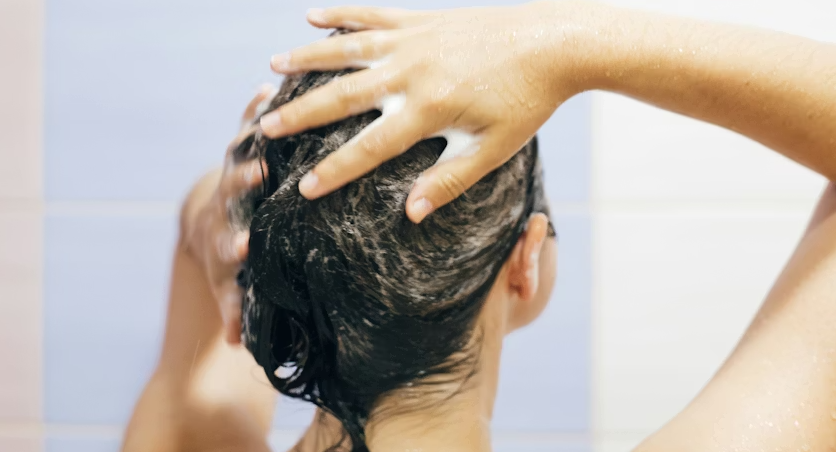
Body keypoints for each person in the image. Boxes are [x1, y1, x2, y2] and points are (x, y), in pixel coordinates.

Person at [124, 1, 836, 451]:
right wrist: (571, 40)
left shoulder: (194, 428)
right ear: (525, 263)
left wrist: (222, 213)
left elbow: (208, 233)